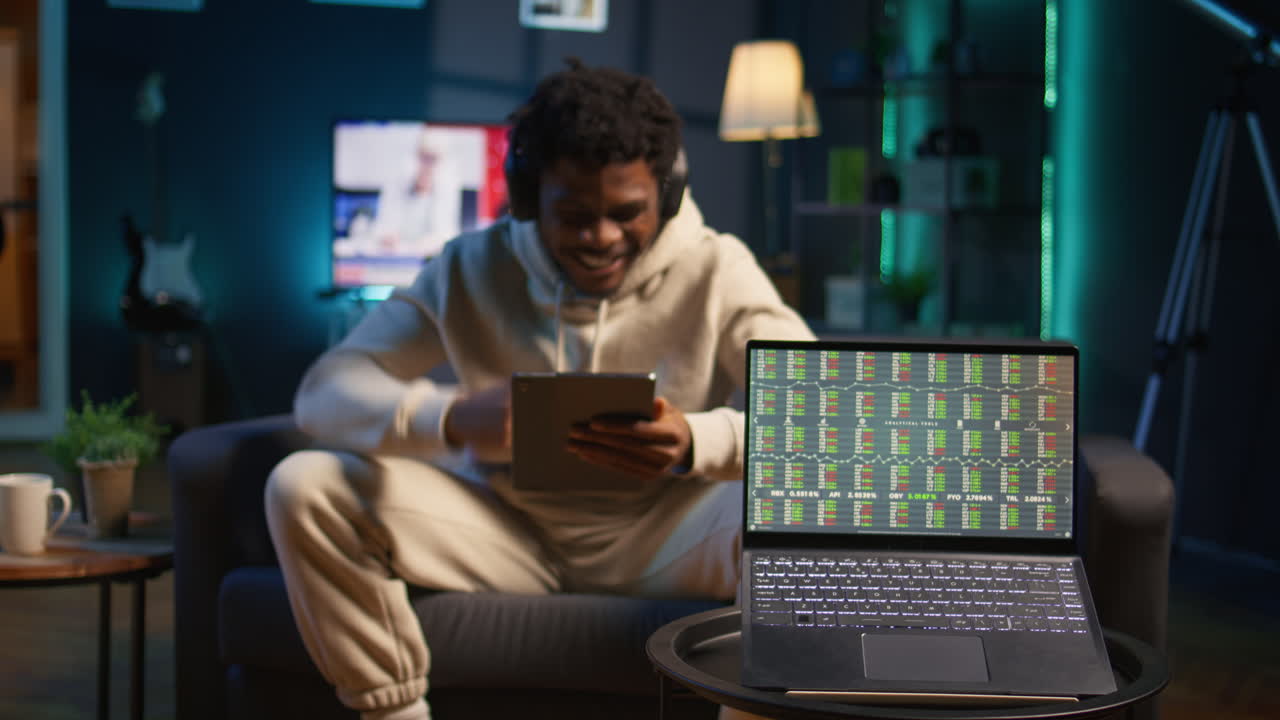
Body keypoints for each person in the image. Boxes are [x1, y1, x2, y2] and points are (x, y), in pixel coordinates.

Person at [265, 58, 814, 720]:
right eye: (573, 215)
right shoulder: (470, 266)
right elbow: (324, 392)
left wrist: (697, 439)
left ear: (666, 195)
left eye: (627, 213)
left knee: (808, 509)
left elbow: (819, 418)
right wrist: (450, 417)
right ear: (528, 199)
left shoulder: (718, 267)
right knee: (303, 486)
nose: (601, 238)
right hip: (504, 532)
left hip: (668, 536)